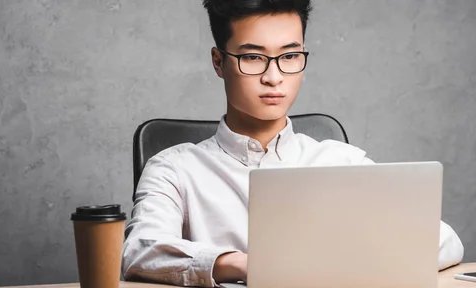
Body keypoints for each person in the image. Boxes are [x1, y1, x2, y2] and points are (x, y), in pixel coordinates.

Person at [121, 0, 465, 286]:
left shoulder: (342, 162)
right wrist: (246, 265)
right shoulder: (174, 168)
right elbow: (139, 250)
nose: (274, 77)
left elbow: (443, 240)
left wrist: (342, 260)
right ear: (218, 62)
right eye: (253, 57)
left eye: (289, 56)